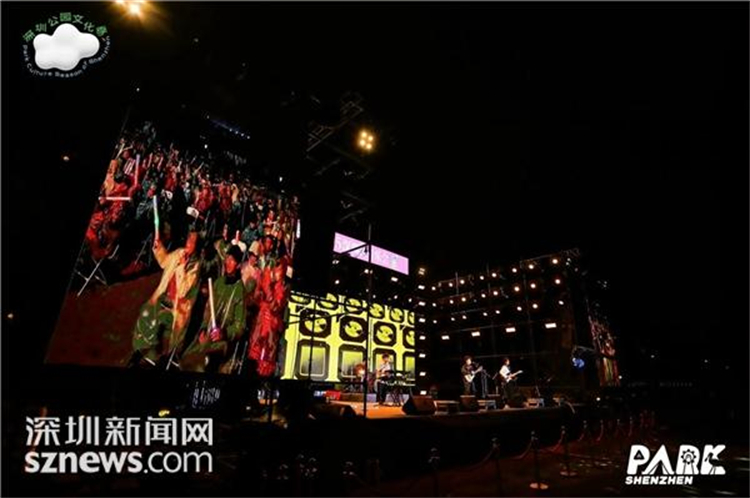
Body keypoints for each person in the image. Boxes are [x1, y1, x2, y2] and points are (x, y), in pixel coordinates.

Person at [130, 231, 202, 366]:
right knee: (145, 312)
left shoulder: (195, 267)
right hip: (163, 298)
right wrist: (159, 248)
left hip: (176, 308)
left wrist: (182, 267)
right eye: (188, 239)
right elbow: (164, 261)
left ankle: (155, 356)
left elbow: (183, 291)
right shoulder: (179, 253)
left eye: (192, 242)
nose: (188, 243)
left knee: (159, 321)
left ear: (197, 246)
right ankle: (140, 349)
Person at [181, 245, 247, 373]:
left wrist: (224, 333)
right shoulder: (218, 282)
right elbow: (207, 311)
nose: (228, 262)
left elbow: (240, 326)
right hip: (207, 335)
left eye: (232, 260)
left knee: (205, 363)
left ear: (238, 265)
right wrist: (203, 329)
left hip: (222, 342)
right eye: (227, 258)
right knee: (187, 360)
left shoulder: (240, 291)